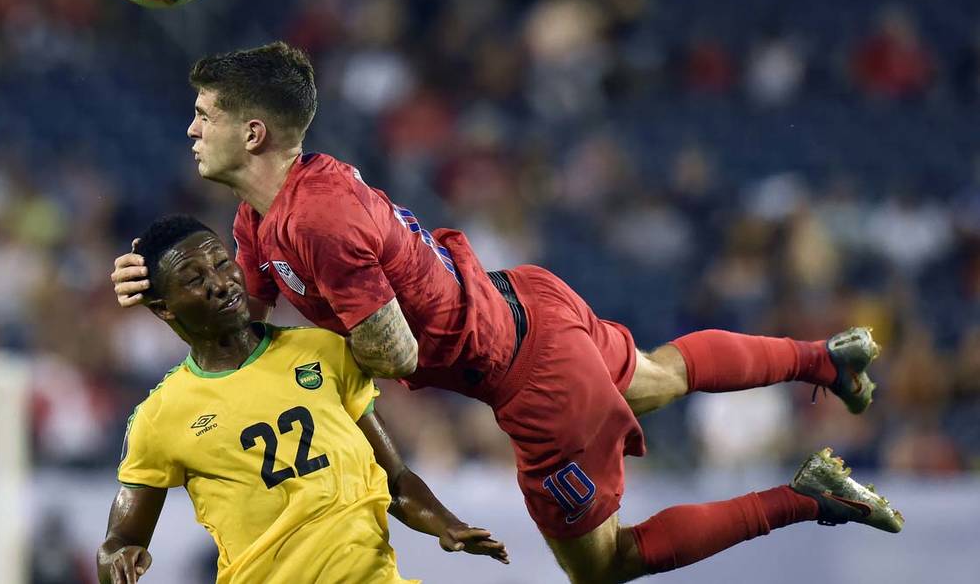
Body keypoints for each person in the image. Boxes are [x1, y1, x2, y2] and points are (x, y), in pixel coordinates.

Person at [111, 42, 902, 583]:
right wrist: (162, 291)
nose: (191, 128)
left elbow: (394, 357)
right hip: (522, 296)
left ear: (252, 132)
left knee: (605, 566)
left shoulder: (318, 222)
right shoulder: (259, 218)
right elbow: (241, 326)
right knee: (656, 377)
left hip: (530, 381)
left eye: (205, 114)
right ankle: (824, 360)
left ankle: (809, 496)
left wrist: (316, 363)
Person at [98, 215, 508, 584]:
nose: (221, 283)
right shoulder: (161, 416)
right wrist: (118, 558)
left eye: (222, 263)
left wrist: (446, 524)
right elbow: (119, 540)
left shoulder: (323, 351)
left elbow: (395, 478)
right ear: (163, 308)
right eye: (193, 279)